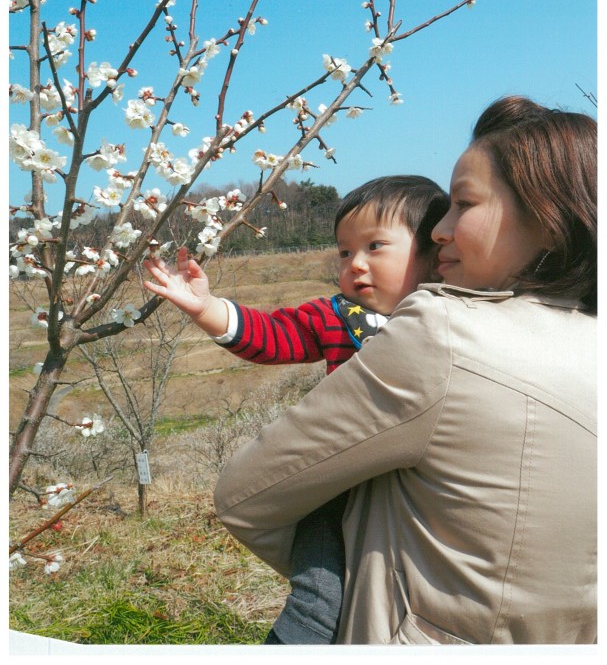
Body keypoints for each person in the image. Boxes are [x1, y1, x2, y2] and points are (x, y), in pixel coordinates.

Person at [213, 96, 597, 645]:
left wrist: (347, 576)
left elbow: (245, 494)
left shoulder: (439, 330)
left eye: (464, 205)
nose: (439, 231)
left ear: (550, 222)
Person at [144, 174, 449, 644]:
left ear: (433, 252)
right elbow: (270, 336)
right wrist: (205, 308)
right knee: (318, 598)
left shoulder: (452, 318)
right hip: (334, 487)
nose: (355, 265)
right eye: (345, 252)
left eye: (375, 247)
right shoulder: (336, 316)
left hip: (414, 497)